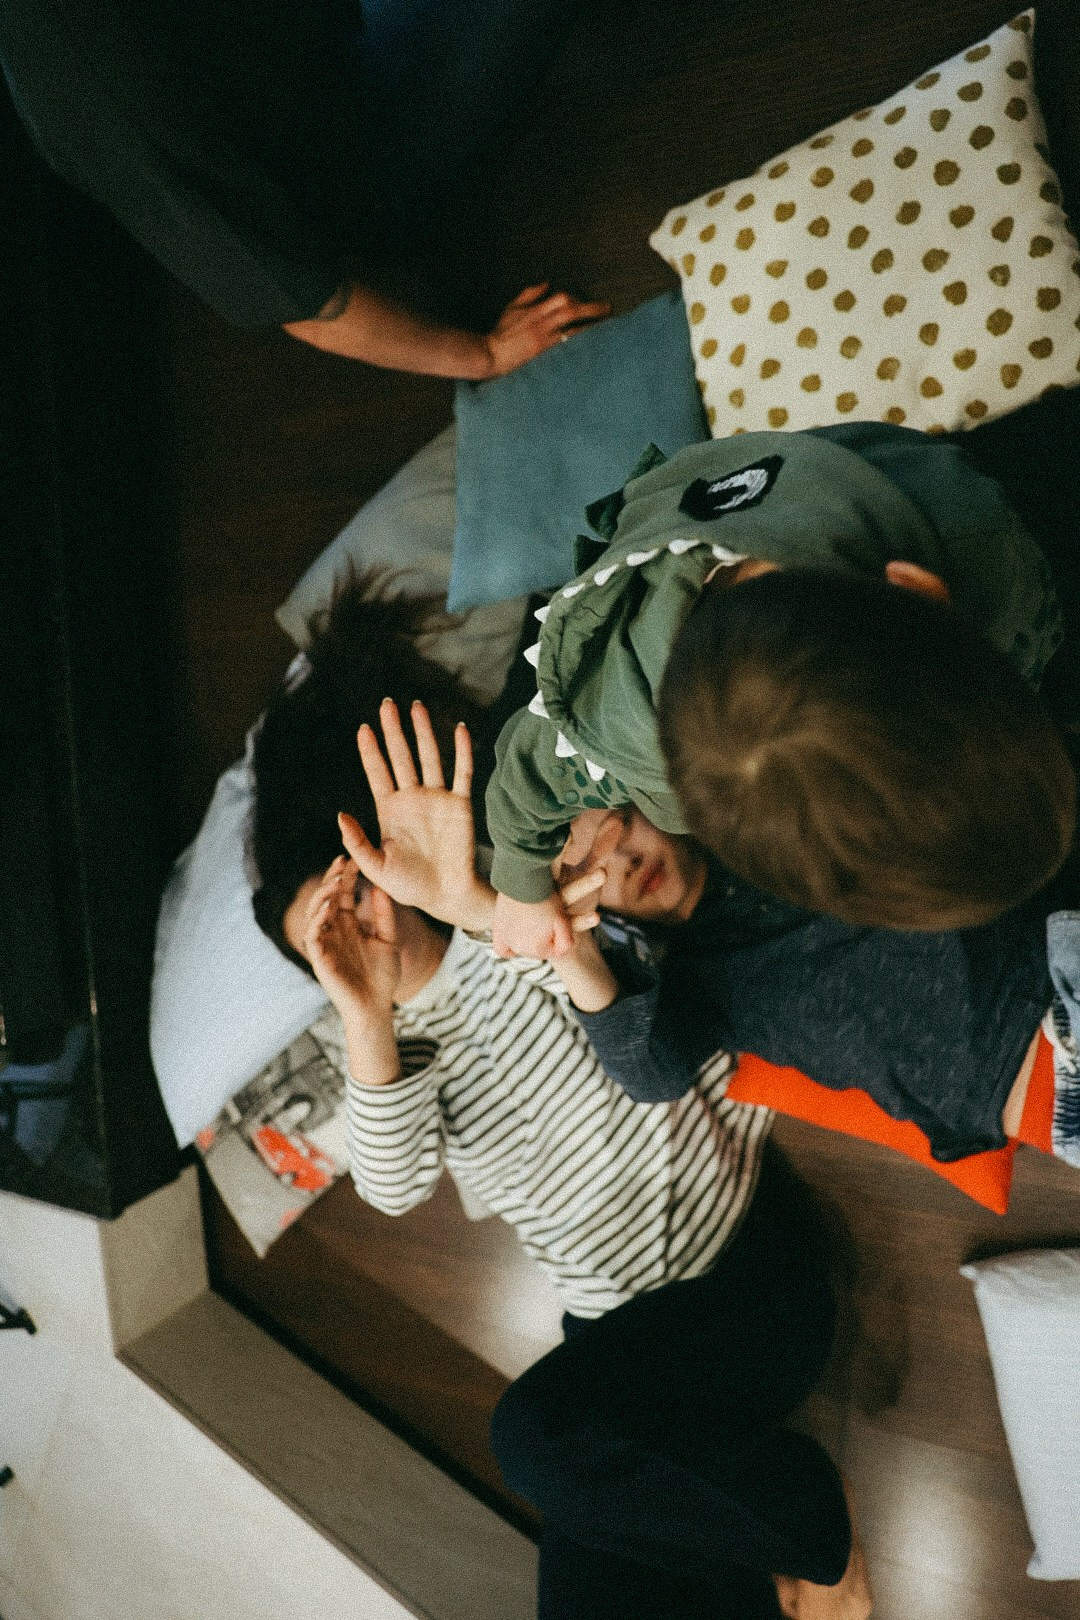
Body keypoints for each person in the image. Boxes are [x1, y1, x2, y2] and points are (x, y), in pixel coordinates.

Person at [280, 698, 870, 1620]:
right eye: (320, 944)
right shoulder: (388, 1049)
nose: (351, 935)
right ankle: (770, 1544)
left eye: (346, 898)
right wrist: (365, 1015)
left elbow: (603, 997)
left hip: (739, 1267)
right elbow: (392, 1187)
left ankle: (810, 1527)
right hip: (610, 1340)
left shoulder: (505, 913)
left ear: (376, 870)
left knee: (533, 1443)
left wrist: (466, 904)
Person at [482, 424, 1075, 956]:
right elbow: (527, 777)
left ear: (914, 589)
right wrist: (521, 890)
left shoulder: (970, 530)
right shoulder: (622, 731)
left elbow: (524, 776)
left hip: (828, 483)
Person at [0, 0, 607, 374]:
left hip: (334, 47)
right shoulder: (104, 90)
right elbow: (311, 307)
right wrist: (485, 355)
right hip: (358, 157)